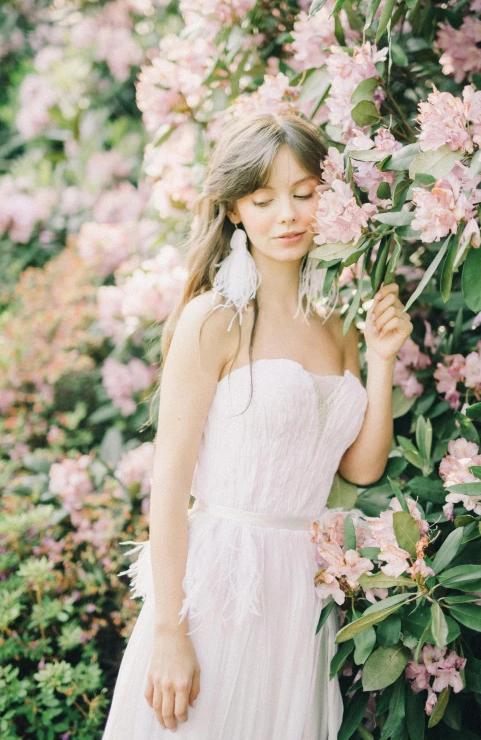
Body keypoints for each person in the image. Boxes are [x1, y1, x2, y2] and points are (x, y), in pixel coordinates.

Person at [101, 109, 413, 739]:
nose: (288, 215)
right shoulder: (212, 321)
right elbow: (169, 485)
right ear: (236, 210)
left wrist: (381, 364)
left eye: (303, 194)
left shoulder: (338, 323)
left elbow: (359, 468)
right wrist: (169, 631)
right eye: (264, 199)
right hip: (220, 584)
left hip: (302, 593)